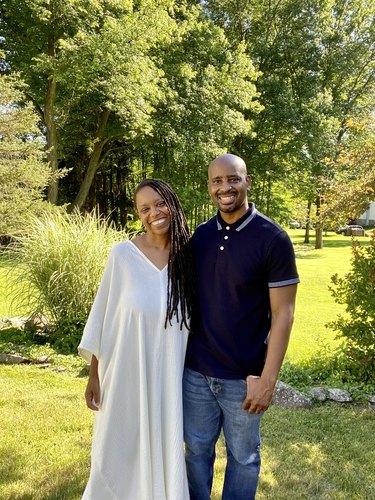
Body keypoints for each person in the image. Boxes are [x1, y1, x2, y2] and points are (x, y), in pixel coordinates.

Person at [183, 153, 299, 500]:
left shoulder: (273, 238)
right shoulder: (200, 236)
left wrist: (267, 379)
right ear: (209, 187)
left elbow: (285, 315)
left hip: (244, 379)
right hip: (196, 374)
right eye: (217, 181)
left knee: (244, 459)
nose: (225, 187)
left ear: (247, 181)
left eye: (233, 179)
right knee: (195, 455)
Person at [78, 178, 194, 500]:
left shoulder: (189, 258)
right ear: (139, 215)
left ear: (172, 203)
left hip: (170, 379)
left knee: (164, 446)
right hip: (123, 376)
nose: (154, 212)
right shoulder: (123, 256)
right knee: (115, 451)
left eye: (159, 203)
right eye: (145, 209)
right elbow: (103, 317)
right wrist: (94, 375)